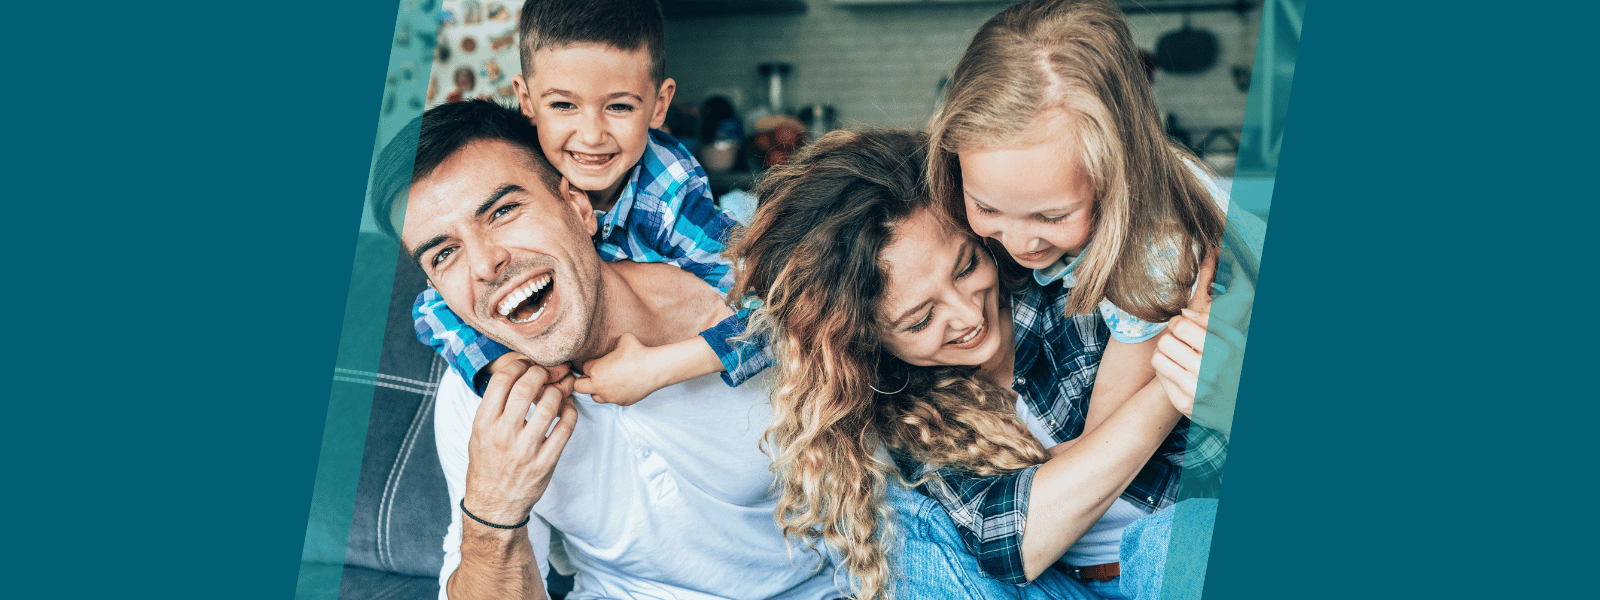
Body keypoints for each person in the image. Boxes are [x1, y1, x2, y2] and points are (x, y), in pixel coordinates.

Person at [370, 100, 839, 600]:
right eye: (445, 253)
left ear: (577, 208)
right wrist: (492, 513)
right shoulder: (478, 399)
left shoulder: (748, 316)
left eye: (503, 211)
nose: (485, 264)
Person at [729, 129, 1205, 600]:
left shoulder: (1071, 287)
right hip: (1066, 587)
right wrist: (1172, 381)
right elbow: (1019, 541)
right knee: (907, 529)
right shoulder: (906, 407)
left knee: (1172, 543)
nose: (968, 315)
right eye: (921, 320)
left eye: (967, 267)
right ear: (865, 342)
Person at [925, 0, 1250, 592]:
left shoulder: (1161, 242)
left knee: (1179, 542)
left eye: (1051, 215)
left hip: (1159, 549)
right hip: (1059, 567)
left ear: (1117, 175)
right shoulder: (950, 235)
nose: (1019, 241)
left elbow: (1099, 437)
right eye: (988, 208)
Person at [413, 0, 768, 408]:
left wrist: (655, 368)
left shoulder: (668, 194)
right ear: (526, 101)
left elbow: (780, 318)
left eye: (619, 106)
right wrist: (504, 365)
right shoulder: (519, 169)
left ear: (658, 105)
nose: (592, 135)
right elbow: (432, 308)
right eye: (563, 105)